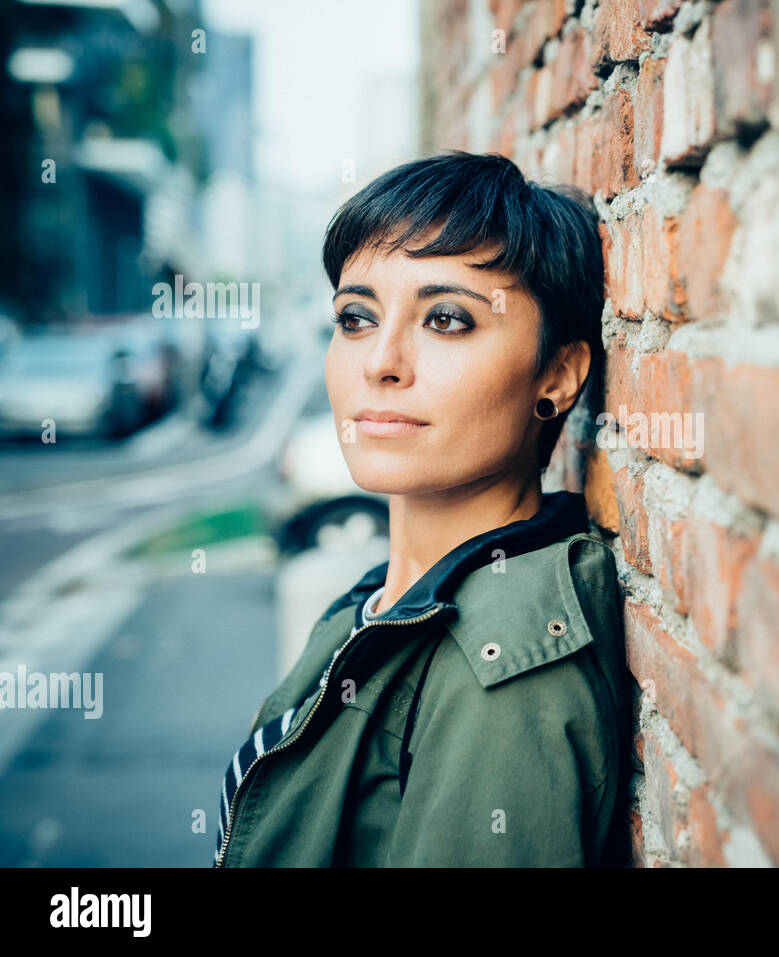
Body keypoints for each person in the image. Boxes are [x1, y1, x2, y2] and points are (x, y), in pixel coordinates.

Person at [213, 151, 632, 867]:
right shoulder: (385, 600)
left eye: (445, 319)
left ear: (558, 375)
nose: (381, 360)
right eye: (355, 317)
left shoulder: (502, 670)